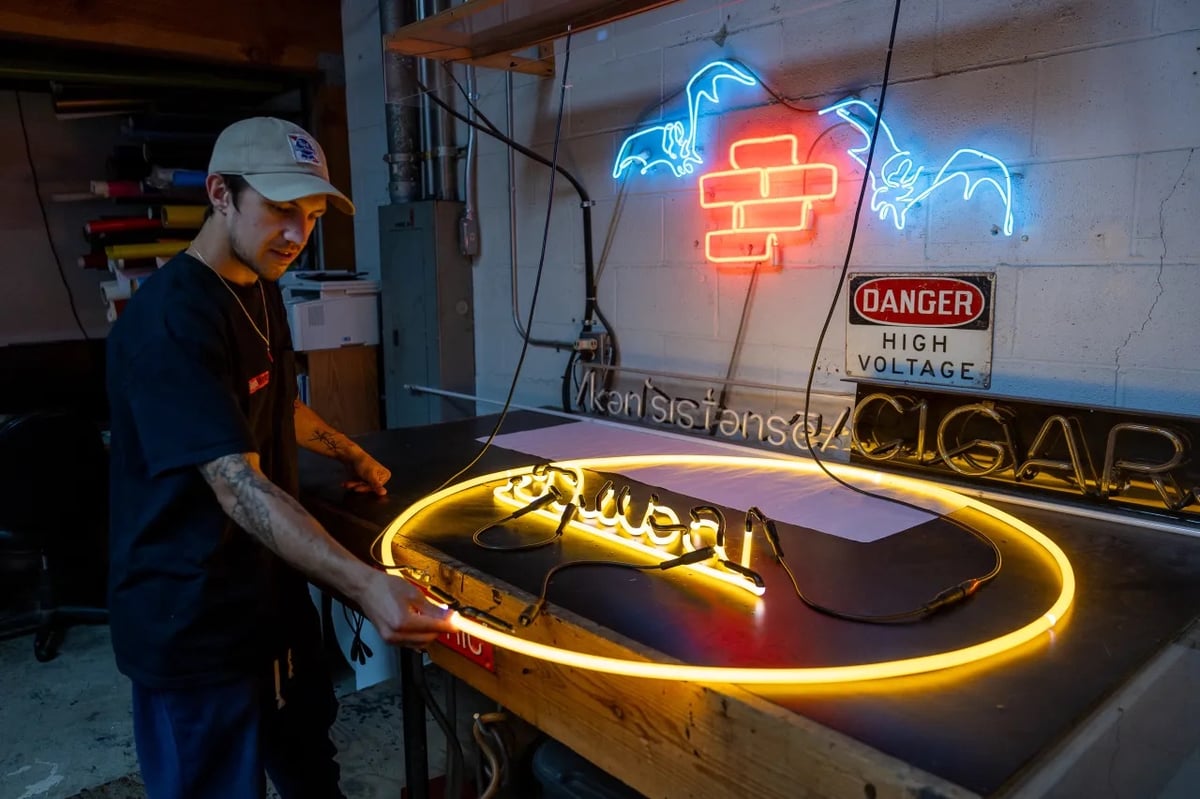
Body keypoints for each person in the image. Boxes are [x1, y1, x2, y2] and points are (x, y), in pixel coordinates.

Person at [105, 117, 454, 799]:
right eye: (282, 210)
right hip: (190, 619)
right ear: (220, 194)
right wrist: (365, 584)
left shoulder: (259, 282)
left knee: (308, 770)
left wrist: (350, 452)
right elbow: (236, 485)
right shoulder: (170, 322)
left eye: (314, 214)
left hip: (264, 600)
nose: (299, 234)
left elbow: (271, 396)